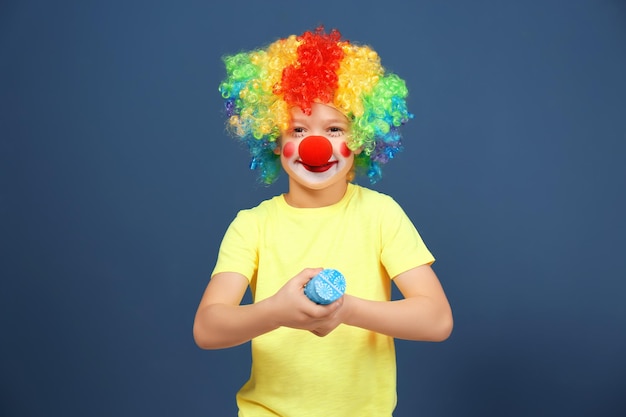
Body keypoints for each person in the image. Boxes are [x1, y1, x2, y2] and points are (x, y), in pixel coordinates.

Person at [193, 26, 453, 417]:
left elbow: (436, 319)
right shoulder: (252, 225)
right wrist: (277, 311)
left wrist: (345, 310)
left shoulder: (380, 214)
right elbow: (208, 329)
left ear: (362, 138)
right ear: (275, 140)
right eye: (299, 129)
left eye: (335, 129)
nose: (317, 145)